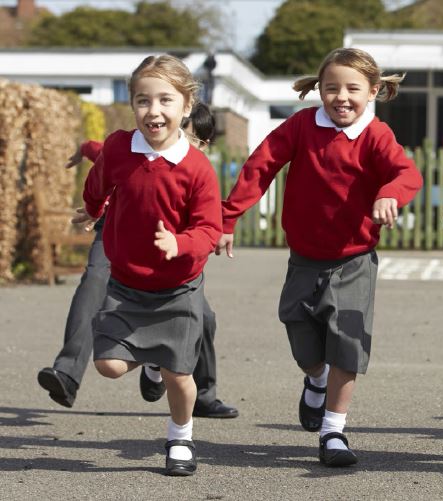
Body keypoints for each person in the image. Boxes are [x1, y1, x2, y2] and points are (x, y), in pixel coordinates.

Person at [216, 48, 422, 467]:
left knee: (347, 344)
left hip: (354, 260)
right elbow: (260, 166)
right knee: (304, 345)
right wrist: (228, 216)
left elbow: (407, 174)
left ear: (374, 91)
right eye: (331, 88)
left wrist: (389, 194)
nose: (341, 97)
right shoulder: (302, 126)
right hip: (305, 259)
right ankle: (316, 380)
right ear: (319, 90)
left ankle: (334, 432)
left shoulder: (376, 135)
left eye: (352, 88)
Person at [37, 103, 238, 420]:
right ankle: (67, 371)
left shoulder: (196, 171)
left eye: (191, 138)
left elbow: (208, 223)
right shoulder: (134, 148)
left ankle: (200, 393)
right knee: (93, 285)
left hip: (171, 247)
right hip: (120, 233)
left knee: (205, 318)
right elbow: (100, 154)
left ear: (203, 144)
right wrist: (84, 157)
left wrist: (212, 233)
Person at [81, 54, 222, 476]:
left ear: (185, 105)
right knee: (108, 365)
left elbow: (209, 229)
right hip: (125, 284)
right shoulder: (119, 147)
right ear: (132, 105)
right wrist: (91, 208)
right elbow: (99, 181)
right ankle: (152, 361)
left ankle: (180, 436)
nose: (153, 111)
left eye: (165, 100)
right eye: (143, 101)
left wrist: (178, 243)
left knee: (180, 374)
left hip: (178, 288)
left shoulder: (196, 168)